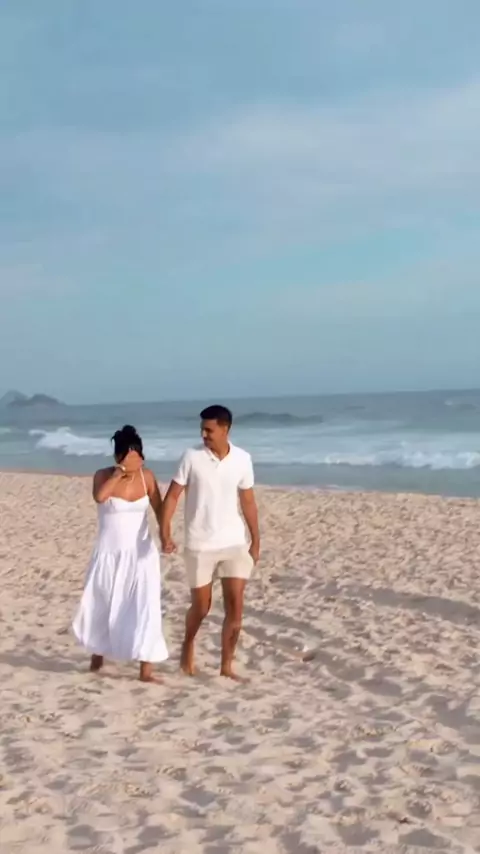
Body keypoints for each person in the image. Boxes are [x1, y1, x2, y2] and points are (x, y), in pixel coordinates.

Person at [160, 405, 260, 681]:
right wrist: (165, 532)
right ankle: (188, 643)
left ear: (226, 429)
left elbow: (248, 501)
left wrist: (255, 540)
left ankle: (226, 666)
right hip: (199, 544)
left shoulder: (242, 459)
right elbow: (172, 497)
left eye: (209, 430)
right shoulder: (191, 457)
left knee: (235, 606)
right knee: (202, 607)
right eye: (202, 430)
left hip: (234, 543)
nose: (204, 435)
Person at [72, 425, 168, 683]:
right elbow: (100, 496)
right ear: (117, 457)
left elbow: (159, 509)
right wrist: (119, 473)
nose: (136, 463)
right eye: (129, 457)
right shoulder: (103, 476)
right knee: (102, 604)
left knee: (145, 606)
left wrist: (166, 536)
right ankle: (97, 658)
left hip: (141, 553)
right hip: (108, 553)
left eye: (138, 457)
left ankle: (146, 670)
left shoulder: (147, 477)